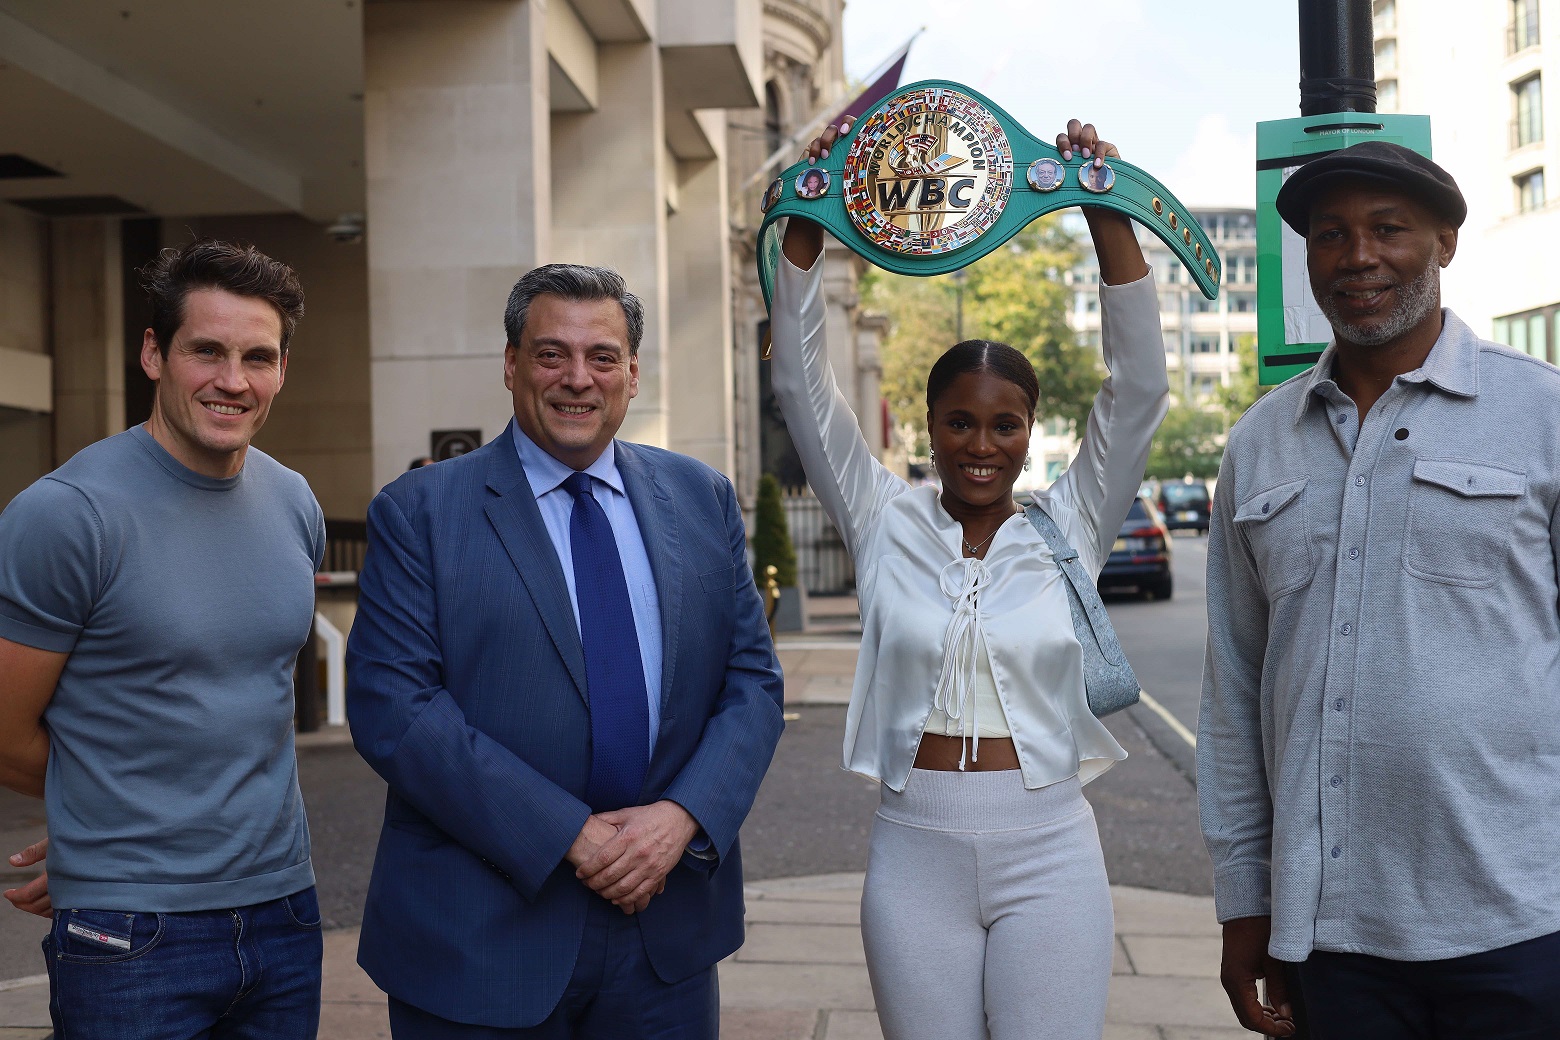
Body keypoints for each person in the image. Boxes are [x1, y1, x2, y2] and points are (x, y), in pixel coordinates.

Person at [771, 119, 1168, 1040]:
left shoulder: (1070, 521)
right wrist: (809, 204)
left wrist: (1101, 201)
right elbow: (800, 384)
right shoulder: (883, 516)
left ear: (1030, 431)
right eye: (959, 423)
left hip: (1050, 847)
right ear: (930, 427)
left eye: (1004, 426)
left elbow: (1138, 387)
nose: (981, 446)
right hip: (914, 844)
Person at [346, 263, 785, 1038]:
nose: (577, 378)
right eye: (551, 354)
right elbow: (397, 710)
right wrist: (571, 837)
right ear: (511, 365)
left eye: (602, 356)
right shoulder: (419, 512)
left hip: (666, 929)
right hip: (479, 939)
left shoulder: (701, 496)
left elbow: (751, 682)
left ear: (634, 373)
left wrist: (682, 818)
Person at [1199, 141, 1560, 1040]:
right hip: (1330, 936)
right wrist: (1246, 900)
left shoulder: (1545, 418)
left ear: (1445, 240)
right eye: (1331, 235)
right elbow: (1235, 693)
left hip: (1523, 921)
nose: (1357, 257)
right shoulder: (1258, 445)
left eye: (1388, 229)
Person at [0, 239, 324, 1038]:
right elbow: (4, 735)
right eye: (205, 351)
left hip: (286, 908)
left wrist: (101, 811)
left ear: (283, 367)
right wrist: (108, 822)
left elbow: (248, 703)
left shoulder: (295, 501)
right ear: (153, 353)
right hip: (131, 931)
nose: (233, 380)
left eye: (259, 356)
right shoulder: (66, 514)